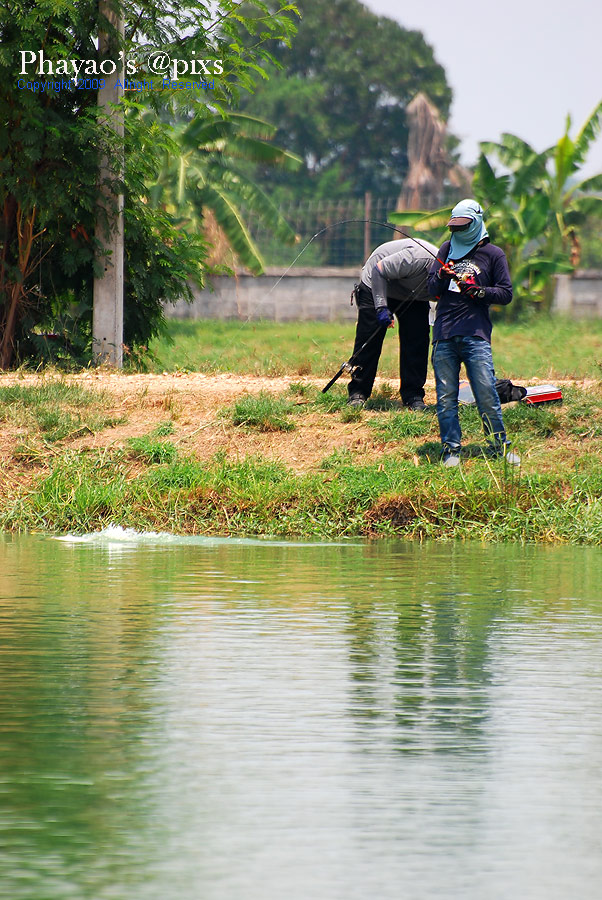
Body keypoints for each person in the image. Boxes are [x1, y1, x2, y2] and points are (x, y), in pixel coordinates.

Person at [427, 198, 520, 468]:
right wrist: (442, 277)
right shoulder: (446, 249)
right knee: (445, 396)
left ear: (477, 222)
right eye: (453, 227)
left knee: (486, 392)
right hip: (444, 333)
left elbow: (506, 293)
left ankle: (499, 446)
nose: (457, 231)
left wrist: (479, 292)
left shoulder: (493, 254)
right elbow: (431, 291)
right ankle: (451, 450)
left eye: (463, 226)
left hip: (475, 334)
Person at [347, 237, 438, 410]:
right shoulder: (416, 259)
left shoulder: (448, 280)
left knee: (417, 341)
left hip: (413, 295)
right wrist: (381, 307)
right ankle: (358, 392)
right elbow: (379, 270)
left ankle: (413, 396)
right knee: (369, 340)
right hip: (377, 280)